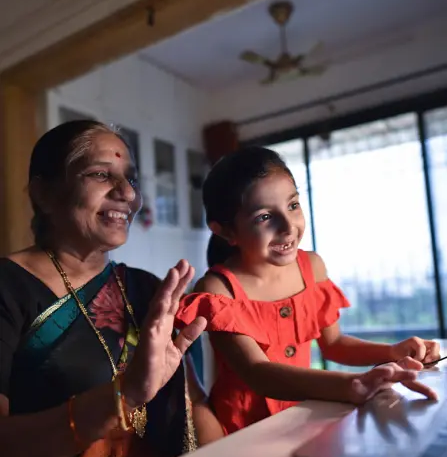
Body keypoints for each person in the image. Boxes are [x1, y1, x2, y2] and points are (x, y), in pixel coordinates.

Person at [0, 120, 223, 457]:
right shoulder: (7, 289)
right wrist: (122, 397)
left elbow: (196, 407)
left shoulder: (147, 289)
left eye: (130, 178)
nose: (127, 194)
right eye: (101, 174)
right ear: (44, 193)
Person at [175, 146, 440, 436]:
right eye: (264, 217)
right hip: (240, 432)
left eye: (293, 206)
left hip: (303, 419)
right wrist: (352, 384)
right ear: (226, 231)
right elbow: (257, 372)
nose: (289, 227)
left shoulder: (312, 267)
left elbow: (335, 343)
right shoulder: (218, 290)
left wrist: (391, 351)